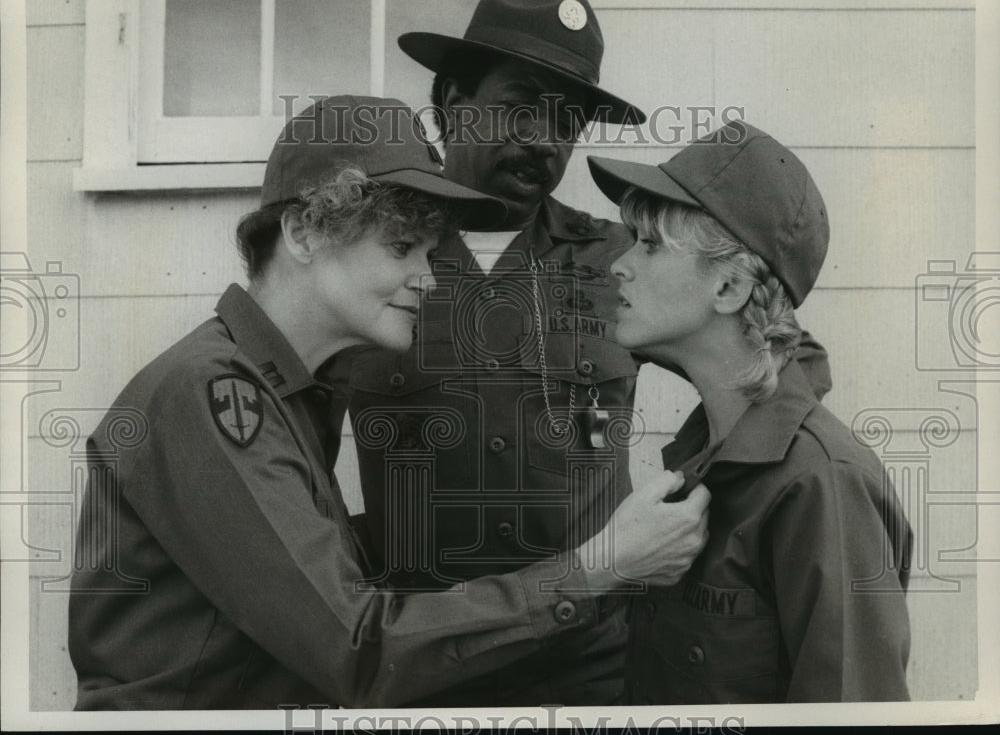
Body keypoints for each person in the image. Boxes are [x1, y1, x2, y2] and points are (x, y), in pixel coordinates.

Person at [67, 96, 711, 711]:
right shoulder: (212, 394)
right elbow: (358, 649)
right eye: (402, 249)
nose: (430, 280)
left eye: (431, 253)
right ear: (302, 232)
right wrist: (601, 567)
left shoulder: (287, 389)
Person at [343, 0, 831, 706]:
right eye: (517, 108)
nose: (543, 138)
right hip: (424, 668)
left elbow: (778, 355)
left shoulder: (621, 263)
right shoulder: (374, 268)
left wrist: (709, 504)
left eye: (566, 119)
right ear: (451, 102)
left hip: (593, 668)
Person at [588, 120, 913, 703]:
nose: (619, 264)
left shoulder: (821, 483)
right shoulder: (700, 458)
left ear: (729, 289)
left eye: (651, 243)